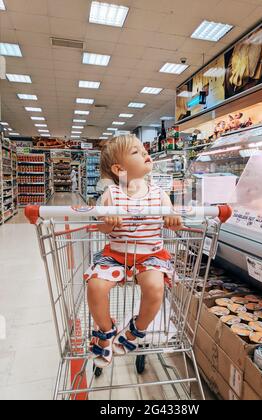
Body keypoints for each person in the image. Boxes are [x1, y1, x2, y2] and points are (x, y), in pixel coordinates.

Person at [84, 135, 183, 368]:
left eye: (143, 149)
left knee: (155, 287)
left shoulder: (159, 193)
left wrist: (172, 217)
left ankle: (136, 330)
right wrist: (108, 220)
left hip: (150, 255)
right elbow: (102, 228)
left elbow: (171, 215)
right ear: (119, 169)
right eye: (136, 152)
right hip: (116, 254)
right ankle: (106, 331)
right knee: (95, 286)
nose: (145, 152)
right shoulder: (111, 194)